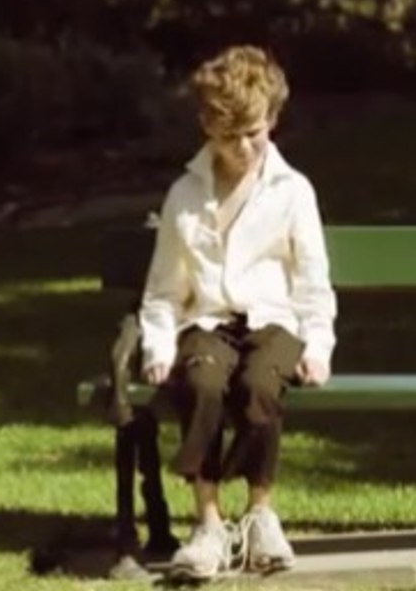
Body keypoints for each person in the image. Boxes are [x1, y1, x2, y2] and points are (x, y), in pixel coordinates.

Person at [138, 45, 337, 580]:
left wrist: (317, 348)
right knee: (201, 382)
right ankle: (207, 522)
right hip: (207, 322)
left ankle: (260, 514)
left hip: (274, 323)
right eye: (229, 137)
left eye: (255, 132)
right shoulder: (185, 194)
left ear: (272, 119)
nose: (244, 147)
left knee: (258, 385)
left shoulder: (293, 192)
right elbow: (162, 292)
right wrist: (158, 347)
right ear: (207, 126)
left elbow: (314, 285)